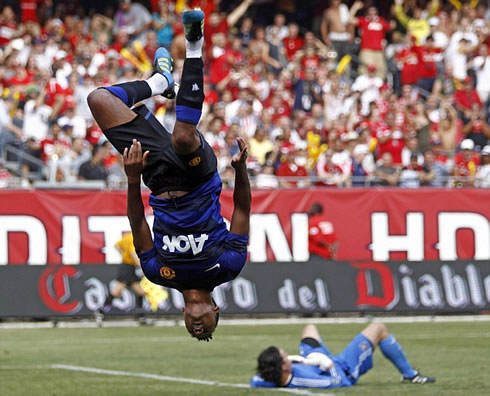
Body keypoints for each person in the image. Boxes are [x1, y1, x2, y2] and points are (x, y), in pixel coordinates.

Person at [87, 10, 251, 342]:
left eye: (193, 329)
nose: (199, 328)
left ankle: (159, 83)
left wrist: (134, 180)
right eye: (206, 325)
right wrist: (242, 172)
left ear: (183, 315)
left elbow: (138, 223)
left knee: (100, 99)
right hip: (198, 179)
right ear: (216, 311)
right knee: (183, 137)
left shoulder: (159, 273)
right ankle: (194, 45)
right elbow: (243, 211)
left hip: (156, 178)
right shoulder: (228, 265)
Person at [251, 323, 435, 389]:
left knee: (309, 328)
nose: (287, 355)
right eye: (285, 356)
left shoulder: (267, 378)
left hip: (313, 359)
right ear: (283, 366)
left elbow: (255, 380)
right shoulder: (309, 380)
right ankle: (410, 375)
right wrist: (328, 365)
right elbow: (339, 382)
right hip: (342, 368)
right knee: (378, 328)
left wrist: (303, 359)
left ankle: (317, 353)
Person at [96, 231, 146, 323]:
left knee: (140, 292)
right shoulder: (134, 238)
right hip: (127, 267)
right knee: (116, 292)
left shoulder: (128, 236)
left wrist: (123, 255)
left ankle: (140, 316)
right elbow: (133, 253)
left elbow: (117, 246)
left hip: (129, 267)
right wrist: (142, 267)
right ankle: (101, 311)